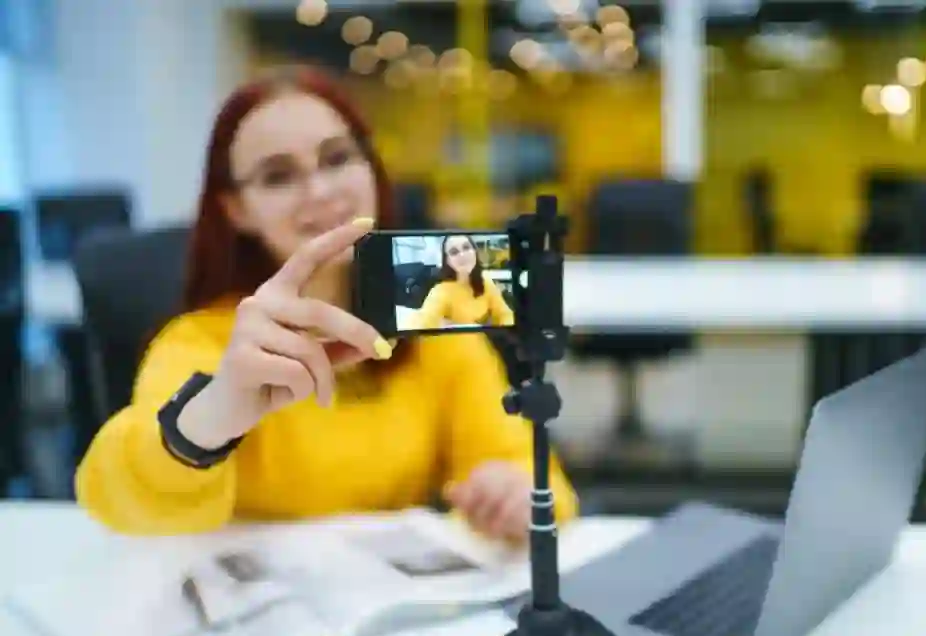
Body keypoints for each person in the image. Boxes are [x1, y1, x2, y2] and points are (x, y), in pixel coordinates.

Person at [74, 65, 577, 542]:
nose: (320, 191)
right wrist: (208, 419)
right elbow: (118, 501)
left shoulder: (431, 320)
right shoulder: (205, 342)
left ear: (371, 167)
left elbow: (538, 479)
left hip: (393, 595)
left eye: (337, 158)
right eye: (278, 176)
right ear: (236, 209)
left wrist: (514, 494)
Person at [412, 235, 515, 329]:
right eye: (454, 252)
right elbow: (422, 323)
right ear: (447, 261)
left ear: (475, 251)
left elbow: (504, 314)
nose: (462, 255)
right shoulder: (440, 292)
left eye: (466, 247)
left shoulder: (486, 282)